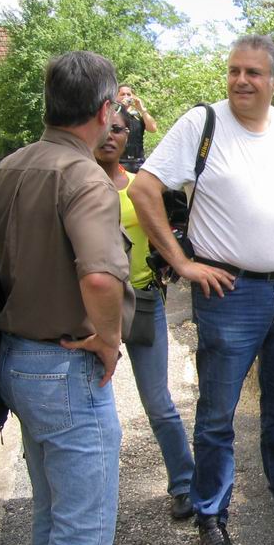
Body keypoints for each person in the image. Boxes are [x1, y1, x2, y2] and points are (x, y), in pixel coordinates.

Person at [128, 34, 274, 545]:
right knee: (217, 415)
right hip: (230, 294)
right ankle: (211, 515)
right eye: (234, 70)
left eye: (253, 72)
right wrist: (181, 263)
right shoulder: (201, 124)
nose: (241, 80)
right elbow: (142, 190)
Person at [0, 51, 135, 545]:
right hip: (64, 367)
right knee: (83, 537)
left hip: (16, 358)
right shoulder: (84, 176)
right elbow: (100, 276)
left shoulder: (9, 168)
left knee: (53, 515)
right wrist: (108, 340)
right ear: (105, 109)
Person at [93, 105, 195, 520]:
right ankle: (93, 495)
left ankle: (185, 485)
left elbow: (170, 231)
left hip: (142, 301)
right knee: (92, 408)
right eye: (104, 128)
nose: (110, 136)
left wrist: (170, 261)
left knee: (158, 403)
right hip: (89, 308)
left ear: (127, 136)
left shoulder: (140, 187)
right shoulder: (75, 184)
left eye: (119, 129)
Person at [116, 84, 157, 172]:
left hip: (138, 162)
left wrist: (142, 109)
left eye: (128, 94)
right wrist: (121, 108)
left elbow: (153, 128)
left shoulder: (138, 115)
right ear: (116, 97)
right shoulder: (113, 114)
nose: (126, 97)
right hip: (118, 162)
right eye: (122, 94)